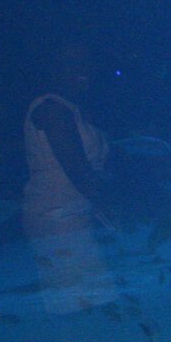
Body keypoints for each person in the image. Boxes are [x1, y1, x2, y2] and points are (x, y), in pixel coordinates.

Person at [22, 42, 118, 311]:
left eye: (86, 63)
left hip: (75, 212)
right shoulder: (51, 110)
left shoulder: (71, 107)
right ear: (53, 70)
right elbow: (79, 171)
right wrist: (116, 208)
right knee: (74, 303)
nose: (83, 71)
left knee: (88, 299)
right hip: (58, 217)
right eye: (72, 65)